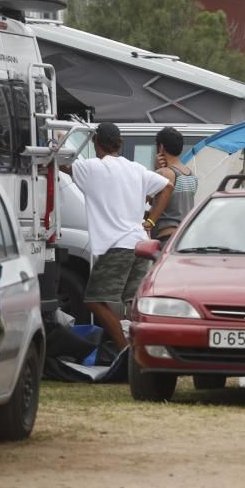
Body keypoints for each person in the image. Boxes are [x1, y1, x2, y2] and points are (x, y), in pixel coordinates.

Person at [68, 123, 171, 350]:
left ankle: (125, 350)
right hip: (140, 244)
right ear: (120, 144)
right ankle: (144, 348)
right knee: (134, 302)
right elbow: (167, 186)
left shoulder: (93, 167)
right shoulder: (135, 169)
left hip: (116, 245)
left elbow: (63, 165)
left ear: (96, 143)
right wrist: (150, 221)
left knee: (95, 300)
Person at [150, 126, 199, 248]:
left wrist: (157, 169)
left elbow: (146, 199)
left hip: (166, 237)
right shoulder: (192, 175)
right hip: (185, 237)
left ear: (161, 147)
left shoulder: (163, 174)